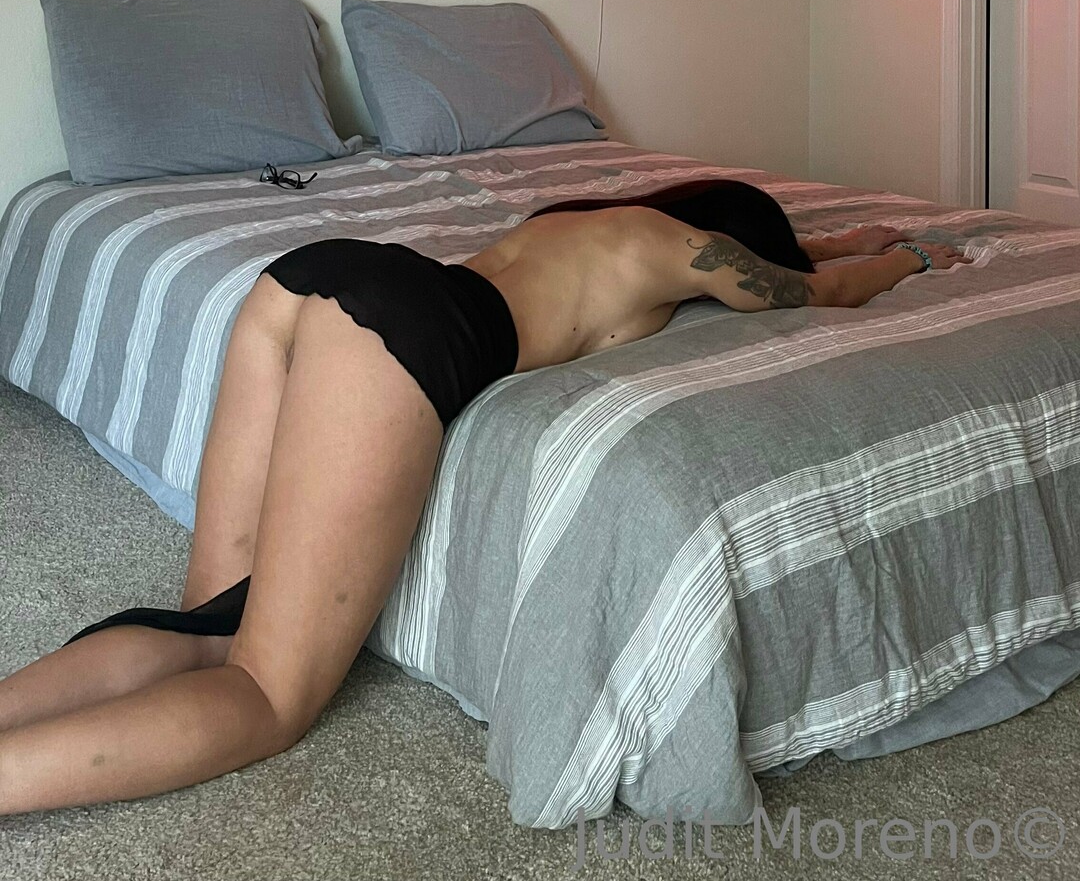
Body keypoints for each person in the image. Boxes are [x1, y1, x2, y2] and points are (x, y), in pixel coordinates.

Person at [0, 179, 969, 816]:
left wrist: (843, 236)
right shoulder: (675, 251)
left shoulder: (577, 220)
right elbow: (812, 292)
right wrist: (905, 261)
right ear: (721, 235)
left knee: (214, 620)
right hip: (402, 330)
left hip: (315, 278)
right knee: (266, 694)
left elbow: (798, 257)